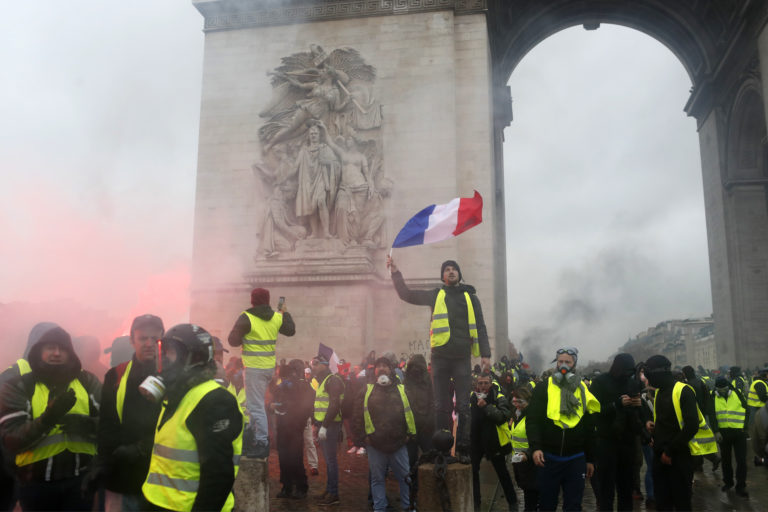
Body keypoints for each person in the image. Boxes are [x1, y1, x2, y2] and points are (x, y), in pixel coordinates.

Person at [386, 256, 491, 459]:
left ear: (459, 274)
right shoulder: (436, 295)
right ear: (442, 276)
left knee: (463, 405)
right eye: (447, 269)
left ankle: (463, 448)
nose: (451, 271)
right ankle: (442, 448)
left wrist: (485, 354)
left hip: (461, 357)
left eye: (454, 269)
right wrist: (395, 272)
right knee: (440, 405)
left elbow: (481, 325)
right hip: (440, 357)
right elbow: (406, 294)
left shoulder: (471, 298)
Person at [141, 324, 243, 511]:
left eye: (170, 353)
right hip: (160, 504)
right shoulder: (177, 394)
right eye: (163, 351)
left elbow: (218, 476)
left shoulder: (214, 401)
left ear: (194, 357)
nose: (162, 358)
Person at [0, 326, 101, 511]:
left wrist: (85, 424)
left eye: (63, 349)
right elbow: (11, 440)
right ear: (38, 352)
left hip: (80, 483)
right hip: (35, 486)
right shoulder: (19, 386)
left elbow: (111, 426)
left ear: (71, 353)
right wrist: (48, 419)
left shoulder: (88, 381)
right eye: (50, 348)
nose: (57, 353)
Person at [97, 314, 164, 511]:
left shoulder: (176, 376)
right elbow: (106, 424)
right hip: (126, 476)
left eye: (156, 338)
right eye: (143, 338)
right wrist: (101, 464)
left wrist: (142, 448)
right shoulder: (116, 376)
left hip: (164, 477)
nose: (150, 343)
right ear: (132, 341)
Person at [526, 347, 600, 512]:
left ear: (574, 365)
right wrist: (536, 447)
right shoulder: (543, 387)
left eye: (568, 362)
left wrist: (590, 459)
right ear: (556, 363)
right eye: (560, 361)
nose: (563, 365)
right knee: (546, 504)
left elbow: (589, 427)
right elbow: (533, 420)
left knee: (573, 506)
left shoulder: (583, 390)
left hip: (576, 458)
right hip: (549, 457)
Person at [228, 287, 295, 458]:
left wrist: (244, 335)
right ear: (268, 300)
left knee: (255, 406)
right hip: (269, 368)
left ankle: (262, 442)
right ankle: (252, 437)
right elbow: (290, 330)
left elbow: (232, 341)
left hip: (254, 368)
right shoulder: (276, 317)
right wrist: (284, 311)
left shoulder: (247, 317)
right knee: (254, 404)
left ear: (252, 300)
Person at [644, 355, 717, 511]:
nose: (648, 381)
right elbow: (667, 423)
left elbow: (691, 426)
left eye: (649, 377)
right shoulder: (659, 393)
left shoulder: (684, 391)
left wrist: (670, 451)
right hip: (660, 456)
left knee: (682, 503)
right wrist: (654, 432)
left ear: (659, 373)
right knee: (662, 504)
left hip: (678, 457)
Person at [0, 321, 60, 510]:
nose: (56, 353)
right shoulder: (10, 378)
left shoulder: (53, 376)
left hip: (43, 474)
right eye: (49, 346)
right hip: (13, 471)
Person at [352, 357, 414, 512]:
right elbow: (357, 415)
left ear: (391, 370)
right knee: (377, 479)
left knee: (405, 478)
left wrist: (409, 435)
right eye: (378, 366)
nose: (381, 368)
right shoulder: (366, 391)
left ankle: (408, 507)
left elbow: (411, 413)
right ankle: (380, 508)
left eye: (385, 366)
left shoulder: (402, 390)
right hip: (375, 445)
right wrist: (363, 438)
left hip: (399, 444)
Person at [589, 353, 643, 511]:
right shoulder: (600, 382)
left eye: (631, 372)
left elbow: (639, 415)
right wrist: (616, 405)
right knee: (607, 490)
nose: (628, 375)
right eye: (626, 371)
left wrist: (638, 405)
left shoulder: (632, 383)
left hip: (627, 442)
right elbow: (593, 412)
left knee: (626, 490)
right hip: (606, 442)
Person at [469, 372, 516, 511]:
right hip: (476, 442)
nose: (483, 386)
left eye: (486, 383)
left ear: (491, 383)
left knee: (502, 473)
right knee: (473, 473)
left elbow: (502, 417)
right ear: (476, 384)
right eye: (480, 383)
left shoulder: (498, 396)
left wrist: (486, 406)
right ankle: (476, 503)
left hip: (493, 441)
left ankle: (512, 502)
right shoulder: (472, 396)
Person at [273, 359, 315, 500]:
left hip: (295, 427)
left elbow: (307, 404)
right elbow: (275, 402)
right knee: (284, 458)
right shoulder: (281, 386)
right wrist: (273, 406)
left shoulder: (303, 386)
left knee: (295, 458)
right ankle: (287, 486)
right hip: (282, 426)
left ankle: (301, 487)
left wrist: (300, 419)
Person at [311, 354, 344, 506]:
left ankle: (334, 493)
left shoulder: (332, 380)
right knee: (328, 460)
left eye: (316, 363)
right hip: (324, 425)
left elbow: (334, 404)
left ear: (324, 365)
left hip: (330, 425)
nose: (314, 366)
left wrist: (324, 426)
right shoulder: (323, 380)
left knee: (331, 460)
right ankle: (329, 490)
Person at [711, 376, 749, 497]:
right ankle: (728, 482)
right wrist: (716, 431)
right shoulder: (713, 396)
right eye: (720, 389)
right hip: (723, 434)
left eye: (724, 388)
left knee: (741, 461)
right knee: (726, 460)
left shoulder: (736, 393)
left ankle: (741, 486)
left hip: (739, 433)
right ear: (716, 388)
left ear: (728, 387)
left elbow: (747, 409)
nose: (722, 391)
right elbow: (711, 415)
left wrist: (745, 427)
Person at [403, 353, 434, 481]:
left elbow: (433, 403)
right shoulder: (405, 383)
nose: (415, 369)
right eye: (413, 366)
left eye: (418, 366)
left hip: (426, 428)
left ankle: (431, 486)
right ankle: (413, 489)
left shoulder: (429, 382)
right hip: (410, 430)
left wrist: (429, 422)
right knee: (410, 461)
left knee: (430, 459)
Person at [510, 386, 539, 511]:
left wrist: (526, 454)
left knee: (531, 499)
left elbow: (537, 441)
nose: (516, 405)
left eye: (520, 402)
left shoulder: (532, 418)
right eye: (514, 401)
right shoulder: (517, 416)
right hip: (519, 462)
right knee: (527, 493)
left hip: (531, 463)